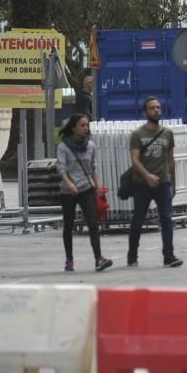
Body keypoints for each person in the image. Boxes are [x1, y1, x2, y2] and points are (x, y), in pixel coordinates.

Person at [127, 96, 183, 268]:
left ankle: (169, 255)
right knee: (138, 220)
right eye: (152, 108)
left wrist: (173, 182)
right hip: (142, 184)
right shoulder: (138, 134)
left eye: (158, 107)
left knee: (167, 219)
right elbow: (135, 160)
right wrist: (147, 176)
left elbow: (171, 159)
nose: (156, 110)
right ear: (145, 112)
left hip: (163, 182)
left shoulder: (167, 133)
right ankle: (132, 254)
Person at [57, 113, 112, 273]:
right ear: (73, 128)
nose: (85, 128)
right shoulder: (63, 146)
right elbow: (60, 168)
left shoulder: (90, 146)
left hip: (86, 189)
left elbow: (93, 167)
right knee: (68, 225)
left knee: (93, 223)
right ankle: (69, 259)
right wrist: (69, 184)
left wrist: (98, 184)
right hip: (68, 191)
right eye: (82, 125)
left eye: (87, 125)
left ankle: (98, 258)